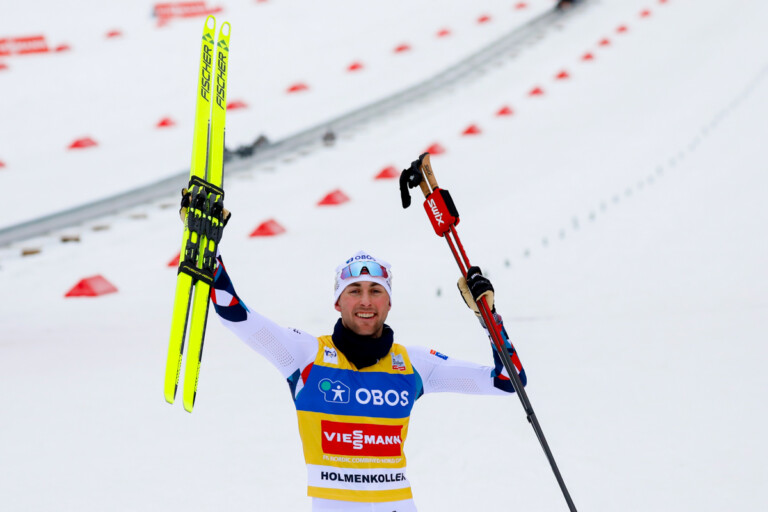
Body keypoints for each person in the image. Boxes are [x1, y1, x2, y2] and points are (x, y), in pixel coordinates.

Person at [211, 250, 526, 512]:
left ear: (389, 303)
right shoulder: (306, 355)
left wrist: (489, 317)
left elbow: (506, 381)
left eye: (376, 291)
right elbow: (235, 314)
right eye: (354, 291)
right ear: (338, 302)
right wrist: (212, 257)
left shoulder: (414, 364)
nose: (366, 301)